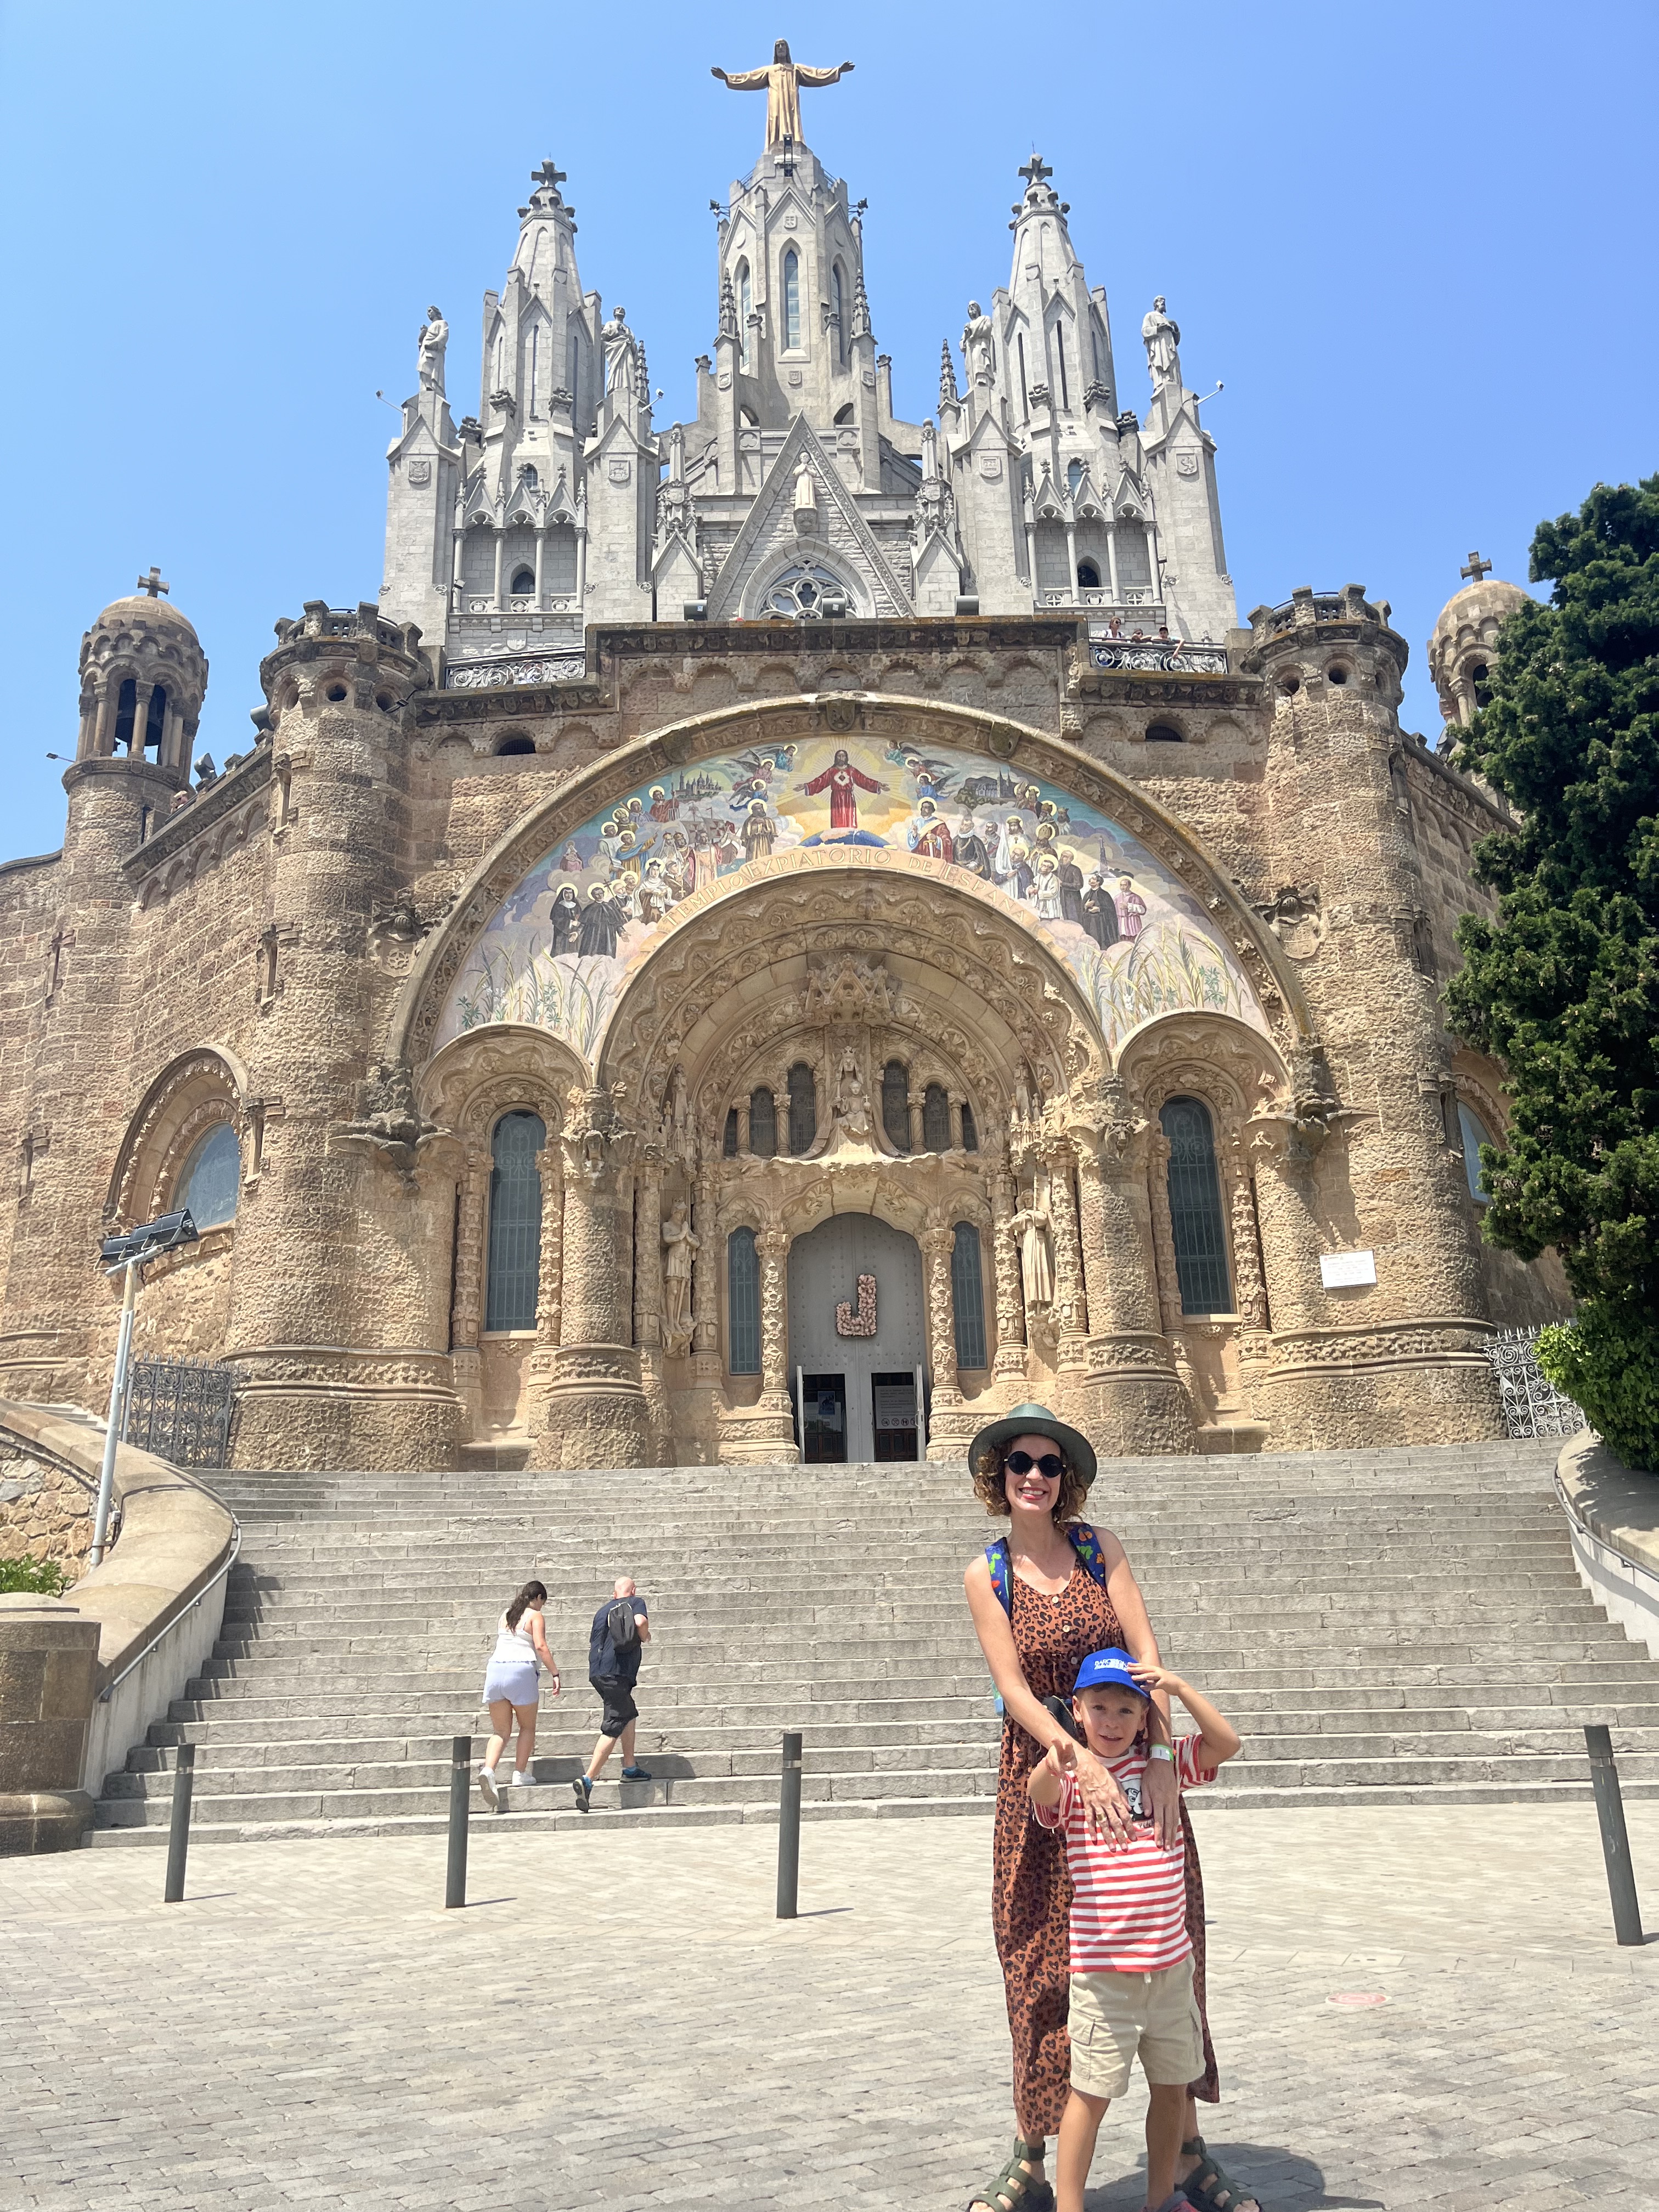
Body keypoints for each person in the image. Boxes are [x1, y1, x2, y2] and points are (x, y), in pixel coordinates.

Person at [961, 1406, 1259, 2212]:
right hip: (1045, 1773)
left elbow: (1146, 1655)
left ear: (1067, 1479)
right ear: (998, 1476)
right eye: (1020, 1462)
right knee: (1036, 1964)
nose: (1034, 1475)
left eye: (1049, 1464)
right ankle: (1031, 2156)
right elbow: (1014, 1690)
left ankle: (1188, 2153)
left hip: (1135, 1761)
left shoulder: (1100, 1549)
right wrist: (1075, 1758)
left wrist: (1160, 1756)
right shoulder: (988, 1573)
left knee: (1169, 1943)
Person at [1029, 1651, 1241, 2212]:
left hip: (1170, 1969)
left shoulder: (1163, 1770)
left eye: (1126, 1710)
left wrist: (1180, 1688)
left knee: (1172, 2089)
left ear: (1145, 1718)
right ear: (1078, 1711)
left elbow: (1226, 1743)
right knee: (1090, 2094)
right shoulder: (1078, 1779)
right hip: (1104, 1974)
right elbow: (1038, 1795)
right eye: (1099, 1708)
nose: (1112, 1721)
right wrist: (1057, 1757)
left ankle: (1160, 2199)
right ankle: (1069, 2205)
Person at [477, 1579, 561, 1810]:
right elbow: (541, 1646)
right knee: (527, 1727)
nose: (542, 1606)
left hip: (495, 1671)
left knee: (501, 1731)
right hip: (521, 1670)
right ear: (539, 1598)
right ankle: (520, 1773)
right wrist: (555, 1673)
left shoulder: (506, 1614)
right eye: (543, 1601)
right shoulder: (535, 1616)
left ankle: (489, 1770)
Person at [572, 1575, 652, 1809]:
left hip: (598, 1672)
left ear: (614, 1593)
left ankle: (630, 1767)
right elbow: (639, 1622)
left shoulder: (601, 1611)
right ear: (633, 1591)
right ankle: (588, 1779)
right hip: (616, 1673)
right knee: (614, 1723)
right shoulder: (635, 1602)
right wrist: (645, 1636)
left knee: (628, 1714)